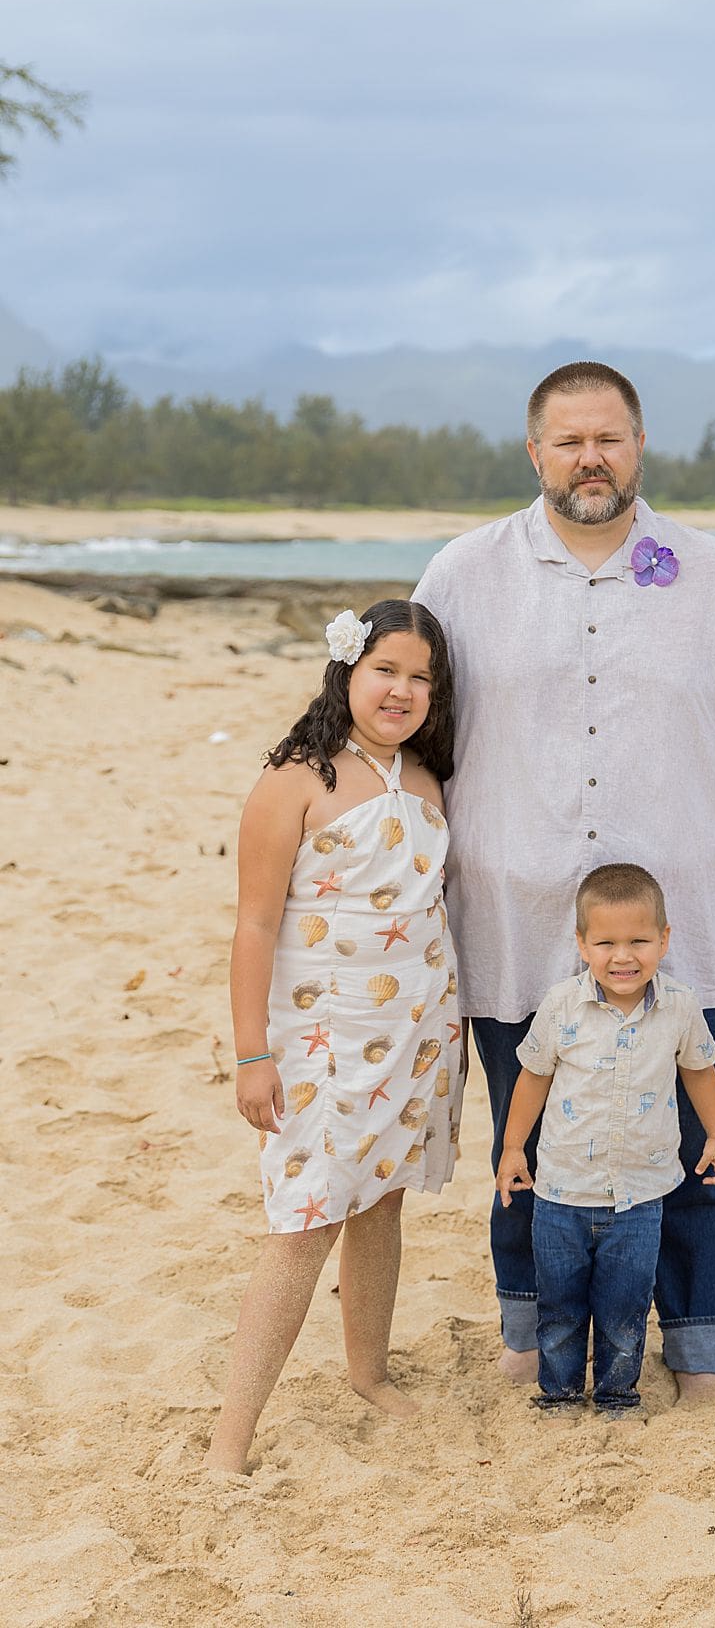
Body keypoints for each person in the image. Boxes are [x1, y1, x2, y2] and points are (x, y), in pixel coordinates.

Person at [412, 359, 715, 1398]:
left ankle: (702, 1344)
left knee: (703, 1150)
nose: (589, 458)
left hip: (685, 934)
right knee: (528, 1147)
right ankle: (537, 1338)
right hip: (522, 930)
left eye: (608, 437)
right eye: (568, 440)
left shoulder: (712, 575)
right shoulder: (462, 574)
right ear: (534, 452)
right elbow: (404, 727)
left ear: (640, 445)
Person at [204, 600, 465, 1473]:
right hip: (323, 1038)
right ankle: (229, 1442)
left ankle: (368, 1371)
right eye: (385, 670)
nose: (402, 690)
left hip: (416, 1032)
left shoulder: (428, 780)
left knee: (381, 1199)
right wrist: (251, 1055)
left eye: (421, 677)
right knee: (305, 1218)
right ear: (347, 672)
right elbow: (251, 926)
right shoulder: (296, 780)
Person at [497, 864, 715, 1415]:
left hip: (641, 1193)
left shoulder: (679, 1005)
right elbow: (532, 1076)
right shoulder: (561, 1005)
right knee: (559, 1308)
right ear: (581, 943)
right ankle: (556, 1395)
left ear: (665, 940)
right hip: (561, 1193)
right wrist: (514, 1147)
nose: (622, 957)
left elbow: (701, 1070)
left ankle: (617, 1395)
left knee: (624, 1308)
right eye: (605, 942)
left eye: (639, 941)